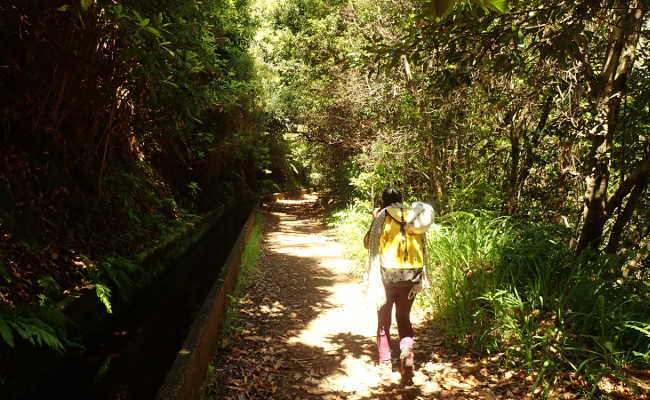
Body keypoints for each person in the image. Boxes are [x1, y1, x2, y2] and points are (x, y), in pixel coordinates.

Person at [364, 187, 427, 385]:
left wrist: (375, 218)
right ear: (401, 199)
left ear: (383, 201)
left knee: (383, 320)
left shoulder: (382, 216)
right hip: (412, 275)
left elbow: (368, 244)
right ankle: (406, 353)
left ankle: (385, 365)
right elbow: (424, 245)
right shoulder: (413, 215)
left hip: (387, 276)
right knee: (404, 318)